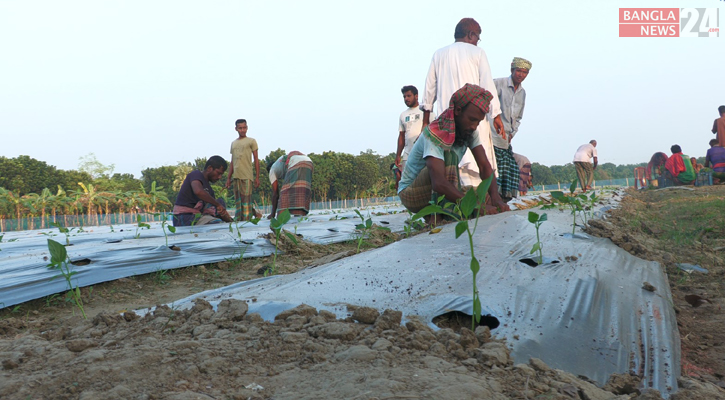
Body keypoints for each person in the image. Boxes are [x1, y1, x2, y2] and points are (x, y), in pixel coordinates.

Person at [398, 83, 510, 217]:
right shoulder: (434, 133)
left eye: (478, 122)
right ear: (457, 111)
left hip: (437, 188)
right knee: (450, 157)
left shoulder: (470, 132)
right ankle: (445, 216)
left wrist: (496, 198)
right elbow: (439, 183)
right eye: (472, 120)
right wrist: (474, 206)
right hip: (411, 194)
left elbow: (484, 166)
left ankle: (447, 212)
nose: (474, 126)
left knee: (485, 198)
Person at [420, 18, 504, 176]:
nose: (477, 42)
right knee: (478, 165)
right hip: (473, 120)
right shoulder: (478, 53)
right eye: (478, 38)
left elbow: (429, 88)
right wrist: (496, 115)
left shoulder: (439, 54)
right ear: (471, 35)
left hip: (448, 121)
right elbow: (487, 85)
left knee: (452, 166)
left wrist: (426, 119)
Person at [490, 57, 531, 200]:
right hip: (492, 133)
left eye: (525, 72)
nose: (521, 75)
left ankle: (503, 199)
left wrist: (513, 132)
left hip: (506, 136)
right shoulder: (497, 83)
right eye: (519, 71)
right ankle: (494, 197)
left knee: (511, 169)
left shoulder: (522, 93)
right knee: (498, 167)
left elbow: (518, 117)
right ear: (512, 70)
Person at [173, 156, 233, 226]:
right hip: (184, 217)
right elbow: (198, 191)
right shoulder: (196, 174)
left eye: (221, 175)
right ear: (210, 168)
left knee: (220, 202)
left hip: (198, 216)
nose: (219, 177)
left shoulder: (210, 191)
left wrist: (228, 219)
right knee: (216, 223)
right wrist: (218, 205)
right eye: (218, 173)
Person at [225, 119, 260, 221]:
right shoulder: (233, 143)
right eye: (240, 128)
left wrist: (257, 177)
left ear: (247, 128)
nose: (242, 130)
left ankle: (247, 221)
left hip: (247, 175)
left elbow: (256, 159)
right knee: (238, 201)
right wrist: (228, 178)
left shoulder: (251, 141)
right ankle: (239, 221)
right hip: (236, 176)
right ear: (236, 129)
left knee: (246, 200)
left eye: (244, 128)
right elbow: (232, 161)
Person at [396, 85, 430, 180]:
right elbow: (401, 136)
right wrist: (398, 155)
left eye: (408, 96)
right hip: (408, 155)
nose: (406, 98)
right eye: (404, 97)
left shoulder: (426, 111)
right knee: (407, 181)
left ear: (416, 96)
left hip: (423, 153)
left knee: (424, 180)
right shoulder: (403, 115)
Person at [267, 151, 314, 218]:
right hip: (308, 162)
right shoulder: (280, 162)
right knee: (301, 190)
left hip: (296, 162)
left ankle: (280, 217)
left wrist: (272, 214)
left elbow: (275, 194)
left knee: (285, 193)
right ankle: (300, 215)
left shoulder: (272, 170)